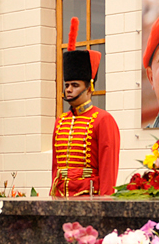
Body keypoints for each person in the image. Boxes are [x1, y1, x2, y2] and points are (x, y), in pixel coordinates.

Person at [50, 17, 120, 197]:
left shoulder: (103, 120)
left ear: (89, 88)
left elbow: (108, 169)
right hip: (61, 195)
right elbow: (56, 168)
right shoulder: (61, 122)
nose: (69, 90)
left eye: (75, 85)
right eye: (67, 85)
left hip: (89, 196)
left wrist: (104, 205)